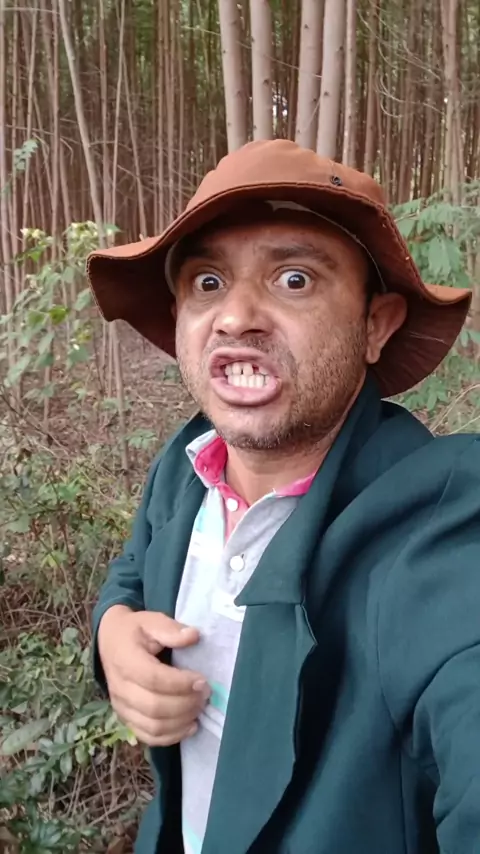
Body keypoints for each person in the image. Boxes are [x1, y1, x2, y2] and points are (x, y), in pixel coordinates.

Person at [86, 139, 480, 854]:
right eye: (207, 282)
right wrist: (113, 629)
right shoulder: (187, 466)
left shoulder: (438, 529)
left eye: (294, 279)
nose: (235, 316)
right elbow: (135, 568)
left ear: (375, 324)